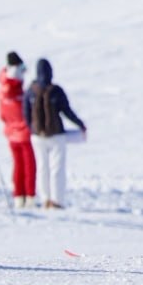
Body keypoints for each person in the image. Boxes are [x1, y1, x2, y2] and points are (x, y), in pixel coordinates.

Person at [23, 57, 86, 209]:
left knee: (42, 167)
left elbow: (25, 114)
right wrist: (80, 124)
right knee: (57, 168)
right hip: (57, 135)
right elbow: (67, 111)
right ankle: (57, 200)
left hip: (37, 136)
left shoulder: (30, 91)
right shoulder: (56, 91)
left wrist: (32, 129)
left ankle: (45, 199)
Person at [0, 52, 37, 208]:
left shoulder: (4, 88)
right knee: (28, 166)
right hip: (22, 133)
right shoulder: (12, 89)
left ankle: (19, 196)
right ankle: (28, 197)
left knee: (19, 165)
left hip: (12, 133)